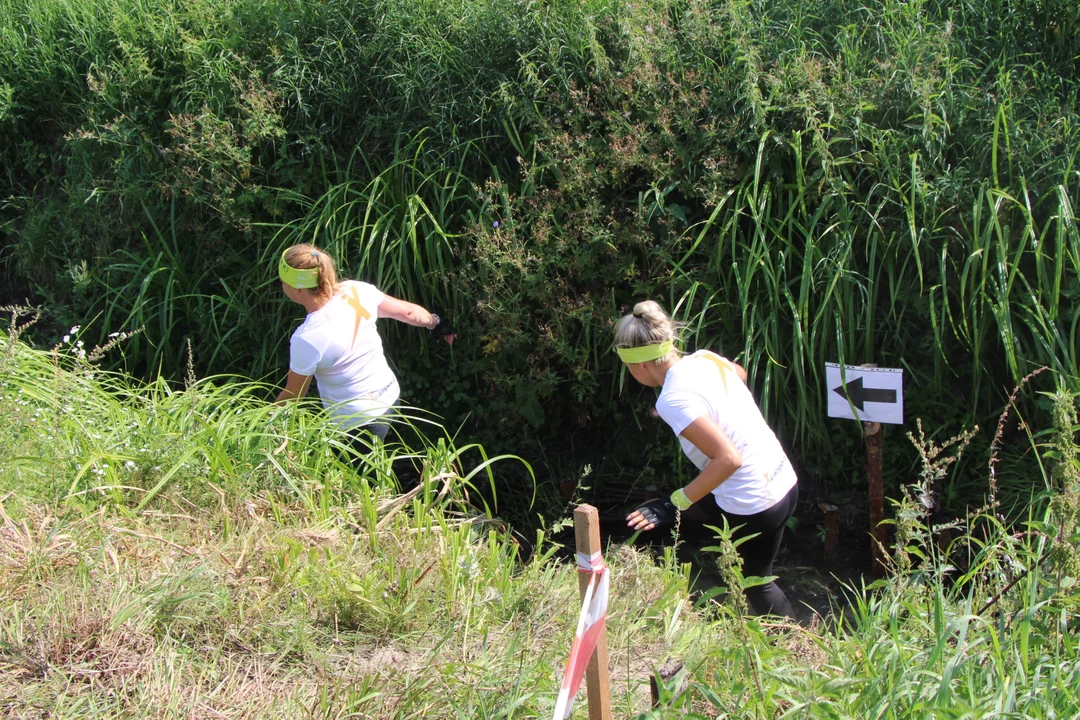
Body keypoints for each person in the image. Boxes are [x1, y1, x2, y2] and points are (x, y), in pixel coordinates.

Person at [618, 300, 798, 617]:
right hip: (783, 478)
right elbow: (738, 375)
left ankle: (795, 650)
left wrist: (675, 502)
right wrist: (691, 409)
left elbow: (729, 459)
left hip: (755, 501)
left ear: (640, 365)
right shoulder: (704, 358)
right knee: (755, 568)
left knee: (756, 583)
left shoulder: (674, 399)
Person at [275, 243, 456, 447]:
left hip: (358, 424)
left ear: (296, 288)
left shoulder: (306, 338)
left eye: (283, 282)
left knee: (361, 478)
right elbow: (407, 313)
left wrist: (264, 425)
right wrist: (437, 323)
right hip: (390, 396)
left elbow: (293, 396)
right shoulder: (355, 290)